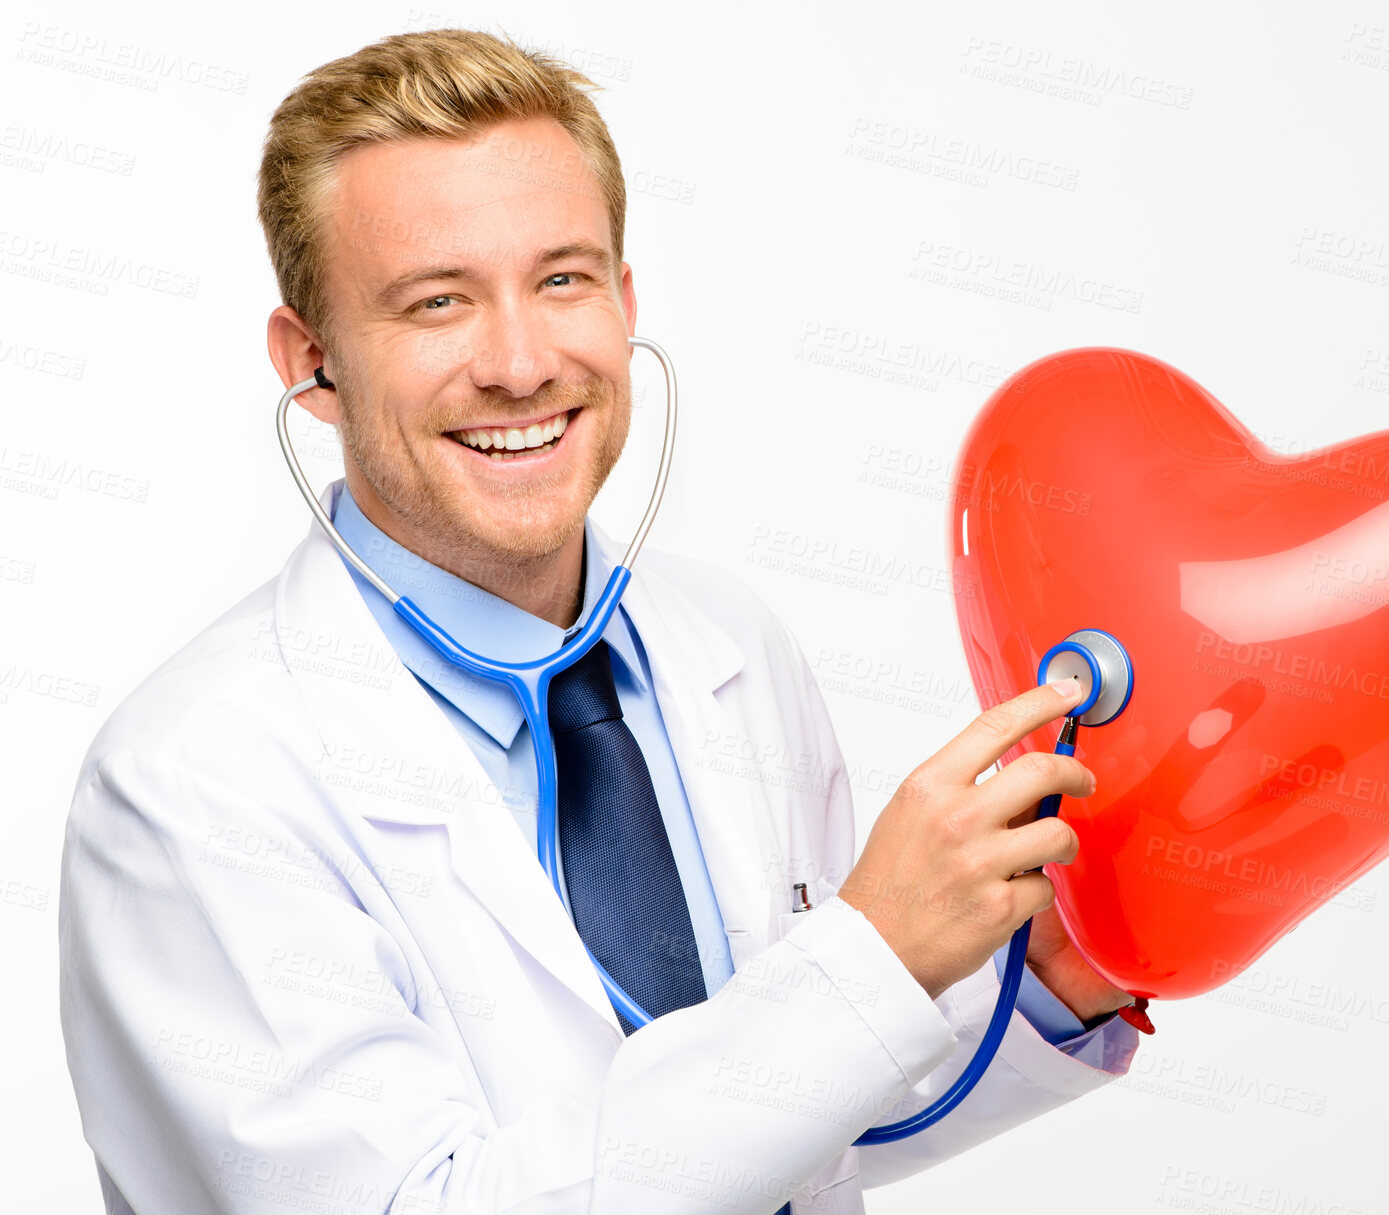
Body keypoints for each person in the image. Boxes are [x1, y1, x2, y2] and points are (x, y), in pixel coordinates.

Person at [58, 28, 1139, 1215]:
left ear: (624, 301)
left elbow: (793, 1118)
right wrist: (870, 958)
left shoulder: (728, 650)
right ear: (311, 363)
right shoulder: (191, 788)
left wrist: (1033, 983)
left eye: (562, 279)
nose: (520, 363)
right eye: (436, 303)